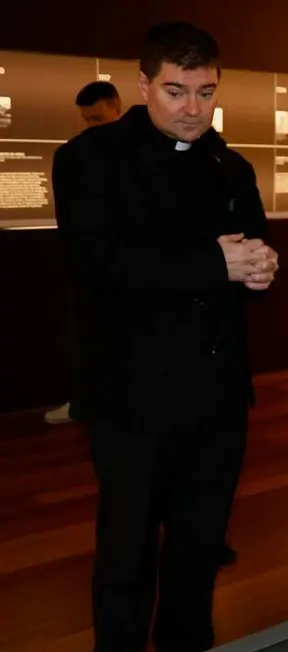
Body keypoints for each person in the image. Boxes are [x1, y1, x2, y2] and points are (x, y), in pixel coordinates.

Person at [51, 21, 277, 652]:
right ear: (142, 84)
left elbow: (252, 251)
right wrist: (217, 263)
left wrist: (262, 269)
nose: (192, 107)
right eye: (176, 90)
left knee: (200, 542)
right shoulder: (89, 159)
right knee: (125, 549)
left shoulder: (229, 165)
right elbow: (99, 263)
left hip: (217, 395)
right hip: (132, 395)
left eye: (205, 92)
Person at [45, 82, 125, 426]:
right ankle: (84, 404)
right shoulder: (72, 156)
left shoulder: (145, 153)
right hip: (95, 268)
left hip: (134, 268)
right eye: (88, 120)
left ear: (116, 109)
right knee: (88, 341)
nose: (93, 126)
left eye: (99, 118)